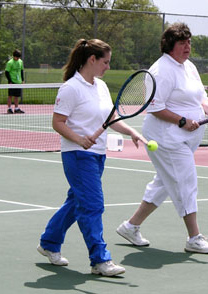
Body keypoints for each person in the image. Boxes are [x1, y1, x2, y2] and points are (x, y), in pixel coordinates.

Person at [37, 39, 145, 276]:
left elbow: (111, 118)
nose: (108, 67)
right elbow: (57, 122)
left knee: (77, 203)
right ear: (92, 59)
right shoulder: (70, 88)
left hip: (97, 155)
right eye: (105, 62)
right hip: (77, 155)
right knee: (93, 206)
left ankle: (48, 243)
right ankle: (100, 259)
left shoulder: (101, 87)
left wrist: (132, 132)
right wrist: (78, 139)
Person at [116, 23, 208, 254]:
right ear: (170, 46)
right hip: (166, 138)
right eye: (182, 43)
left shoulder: (189, 67)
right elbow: (155, 107)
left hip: (187, 138)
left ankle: (130, 226)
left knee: (164, 183)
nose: (187, 47)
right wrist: (182, 121)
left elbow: (201, 97)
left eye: (189, 42)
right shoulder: (161, 71)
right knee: (186, 182)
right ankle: (194, 238)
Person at [5, 49, 25, 114]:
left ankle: (16, 108)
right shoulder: (10, 63)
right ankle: (9, 108)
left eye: (19, 57)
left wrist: (22, 80)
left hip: (18, 82)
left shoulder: (21, 62)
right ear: (13, 56)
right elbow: (6, 72)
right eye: (16, 57)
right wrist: (10, 81)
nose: (17, 58)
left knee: (17, 96)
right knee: (10, 95)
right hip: (12, 81)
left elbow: (21, 71)